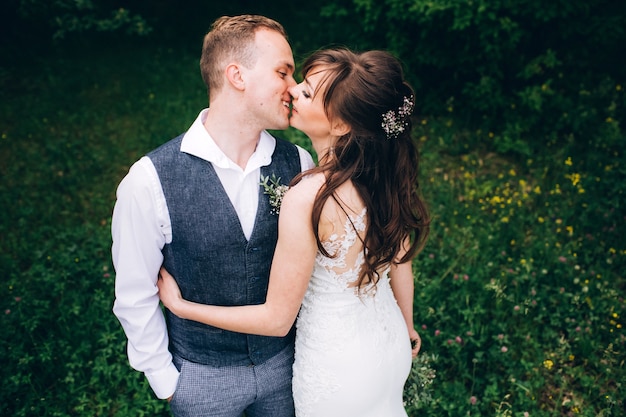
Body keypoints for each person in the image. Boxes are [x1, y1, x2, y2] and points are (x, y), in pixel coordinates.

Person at [157, 48, 431, 417]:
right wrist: (408, 325)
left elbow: (276, 319)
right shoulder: (383, 179)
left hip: (337, 369)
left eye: (307, 92)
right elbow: (400, 264)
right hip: (389, 344)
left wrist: (181, 307)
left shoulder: (309, 197)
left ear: (340, 126)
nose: (292, 90)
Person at [111, 15, 315, 417]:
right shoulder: (149, 180)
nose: (293, 88)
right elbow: (134, 294)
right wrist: (169, 384)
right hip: (201, 379)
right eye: (283, 72)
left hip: (286, 372)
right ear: (237, 75)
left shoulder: (299, 162)